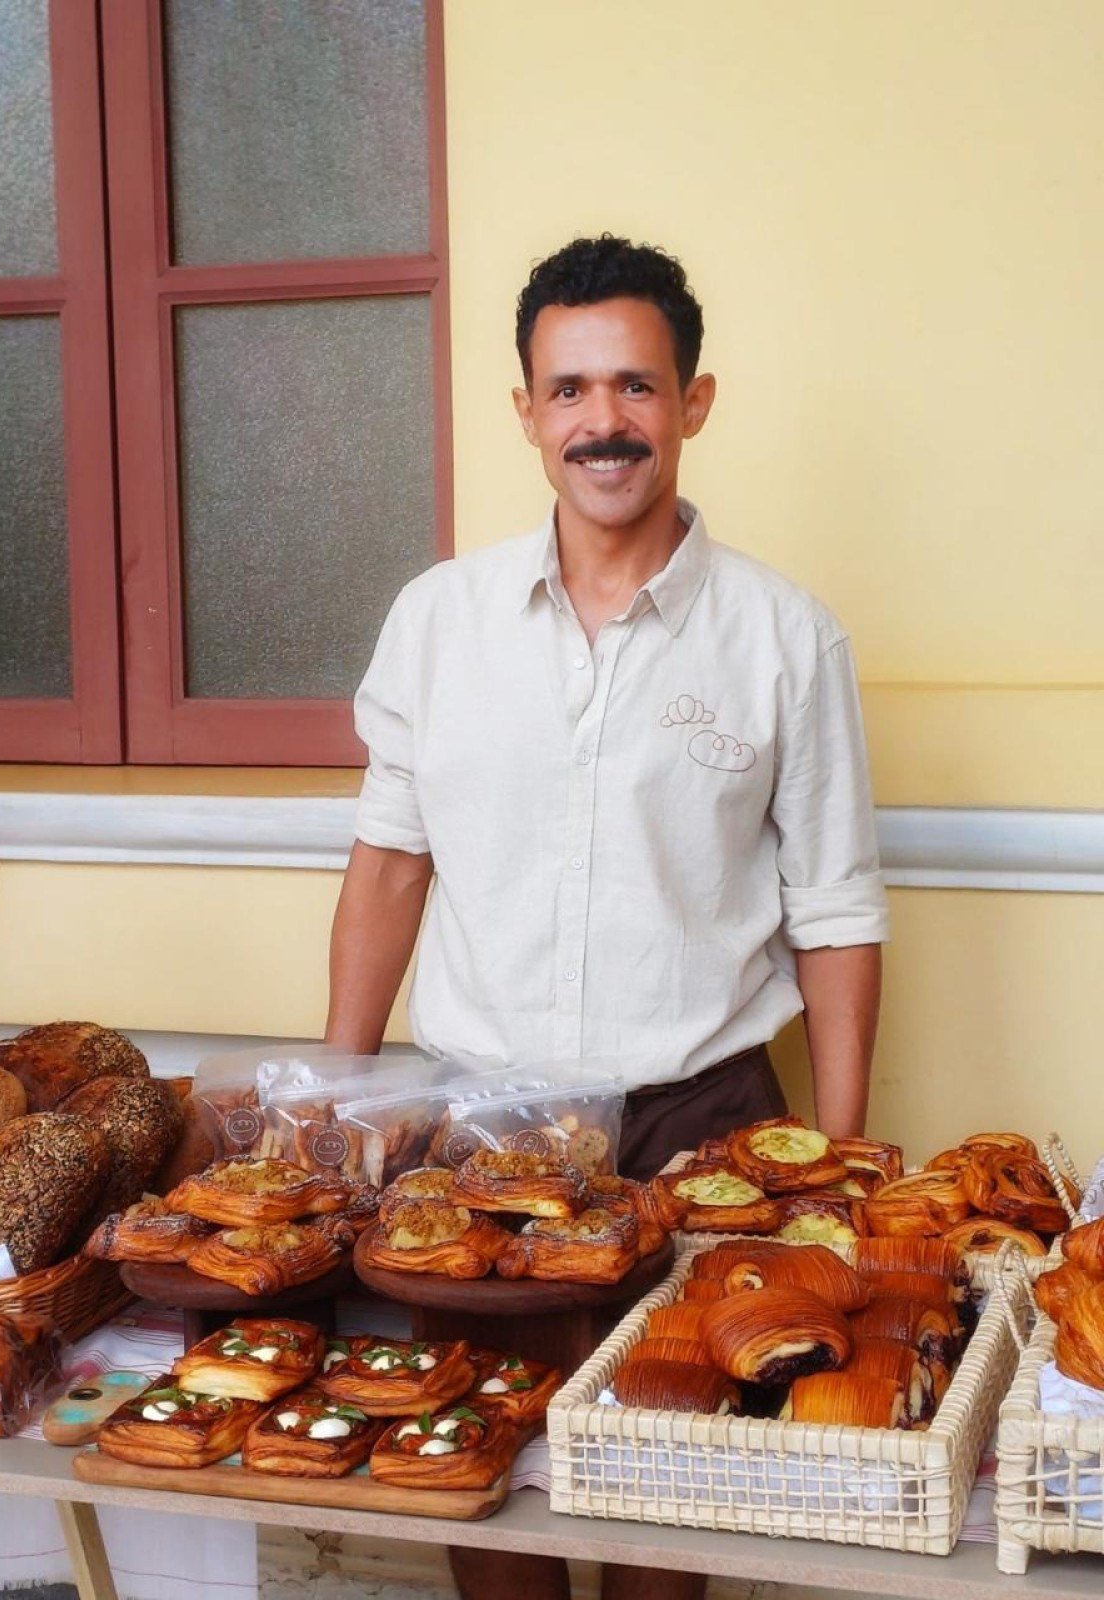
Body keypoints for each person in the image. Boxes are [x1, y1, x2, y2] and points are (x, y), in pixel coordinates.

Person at [326, 236, 890, 1600]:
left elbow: (836, 906)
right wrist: (337, 1099)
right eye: (569, 389)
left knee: (667, 1501)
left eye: (636, 386)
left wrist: (843, 1163)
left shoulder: (783, 638)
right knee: (483, 1476)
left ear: (693, 403)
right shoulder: (438, 622)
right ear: (525, 414)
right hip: (476, 1137)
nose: (603, 421)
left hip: (699, 1129)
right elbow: (391, 862)